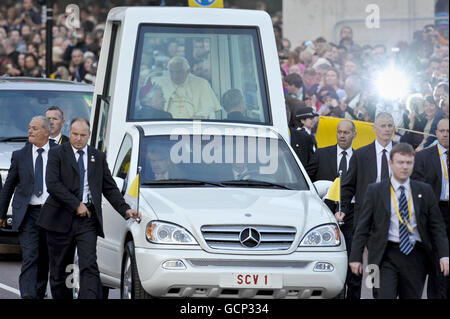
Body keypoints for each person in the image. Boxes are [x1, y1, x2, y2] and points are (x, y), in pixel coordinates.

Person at [36, 118, 140, 299]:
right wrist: (76, 204)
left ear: (89, 135)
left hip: (87, 220)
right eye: (75, 134)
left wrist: (125, 209)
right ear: (70, 133)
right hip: (59, 218)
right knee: (60, 269)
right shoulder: (57, 154)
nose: (78, 139)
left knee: (89, 264)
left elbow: (108, 186)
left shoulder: (97, 157)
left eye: (83, 135)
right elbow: (53, 184)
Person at [349, 143, 449, 299]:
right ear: (391, 163)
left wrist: (444, 255)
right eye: (400, 162)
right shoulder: (375, 190)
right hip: (382, 256)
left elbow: (437, 226)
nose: (405, 167)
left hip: (415, 256)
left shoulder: (424, 190)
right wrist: (356, 257)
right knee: (381, 295)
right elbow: (363, 227)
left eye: (409, 163)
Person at [306, 119, 361, 299]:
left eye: (346, 132)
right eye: (339, 132)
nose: (342, 135)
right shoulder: (322, 154)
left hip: (353, 215)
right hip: (325, 214)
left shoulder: (360, 158)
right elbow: (307, 181)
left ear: (354, 134)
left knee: (353, 259)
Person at [0, 116, 53, 299]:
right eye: (30, 127)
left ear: (47, 132)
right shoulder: (20, 155)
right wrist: (1, 213)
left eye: (35, 128)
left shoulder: (59, 153)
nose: (30, 131)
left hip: (51, 213)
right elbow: (9, 187)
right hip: (28, 212)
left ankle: (37, 292)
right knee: (30, 255)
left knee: (44, 258)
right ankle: (28, 295)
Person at [412, 118, 449, 299]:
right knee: (436, 263)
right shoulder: (423, 157)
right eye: (441, 131)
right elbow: (417, 187)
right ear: (436, 133)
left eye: (448, 131)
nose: (445, 134)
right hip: (434, 212)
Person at [341, 112, 396, 232]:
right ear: (374, 128)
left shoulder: (403, 152)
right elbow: (348, 185)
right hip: (367, 214)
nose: (387, 129)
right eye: (383, 126)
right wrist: (342, 210)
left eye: (390, 125)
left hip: (395, 214)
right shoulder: (360, 154)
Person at [155, 56, 222, 119]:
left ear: (187, 71)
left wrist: (200, 115)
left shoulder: (201, 83)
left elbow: (209, 108)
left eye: (178, 72)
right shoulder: (161, 83)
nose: (174, 76)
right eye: (171, 72)